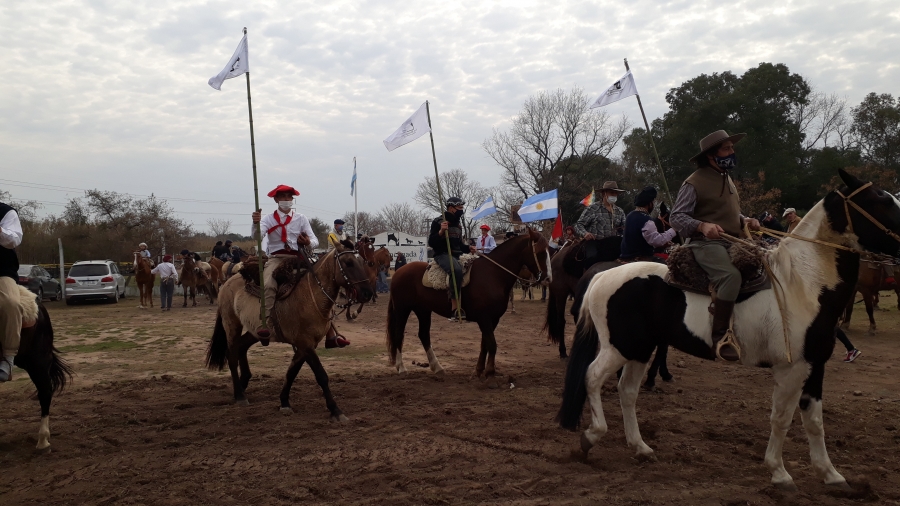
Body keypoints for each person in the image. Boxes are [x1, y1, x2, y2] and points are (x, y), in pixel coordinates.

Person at [671, 130, 761, 362]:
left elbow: (727, 211)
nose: (732, 152)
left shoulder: (726, 177)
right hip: (704, 244)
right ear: (711, 155)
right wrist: (701, 226)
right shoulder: (694, 182)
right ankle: (720, 337)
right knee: (730, 277)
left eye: (732, 147)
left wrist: (745, 220)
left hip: (733, 239)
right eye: (727, 148)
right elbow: (677, 217)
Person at [251, 184, 318, 339]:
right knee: (268, 285)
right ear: (276, 199)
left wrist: (308, 242)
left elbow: (315, 241)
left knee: (322, 279)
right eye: (283, 197)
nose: (286, 200)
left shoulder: (301, 219)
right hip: (277, 258)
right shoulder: (267, 219)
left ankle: (329, 328)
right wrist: (255, 223)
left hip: (299, 257)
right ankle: (265, 322)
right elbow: (257, 237)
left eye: (289, 197)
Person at [428, 196, 476, 321]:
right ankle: (455, 309)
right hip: (442, 255)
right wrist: (440, 232)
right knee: (456, 269)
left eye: (462, 208)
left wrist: (469, 248)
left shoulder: (458, 225)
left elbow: (459, 245)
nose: (462, 210)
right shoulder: (438, 221)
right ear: (451, 208)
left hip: (458, 254)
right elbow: (432, 242)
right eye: (459, 208)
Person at [619, 186, 677, 262]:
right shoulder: (646, 220)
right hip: (640, 258)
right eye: (653, 202)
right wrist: (673, 231)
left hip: (626, 256)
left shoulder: (630, 215)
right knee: (670, 265)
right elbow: (657, 241)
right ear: (649, 204)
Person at [575, 181, 626, 263]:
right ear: (603, 194)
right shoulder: (592, 208)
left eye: (615, 193)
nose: (614, 195)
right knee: (591, 259)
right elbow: (578, 225)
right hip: (595, 243)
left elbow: (624, 228)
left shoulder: (620, 211)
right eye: (611, 193)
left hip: (614, 245)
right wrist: (585, 233)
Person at [0, 201, 23, 382]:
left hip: (1, 272)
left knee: (11, 304)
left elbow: (14, 240)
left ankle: (7, 358)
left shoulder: (6, 212)